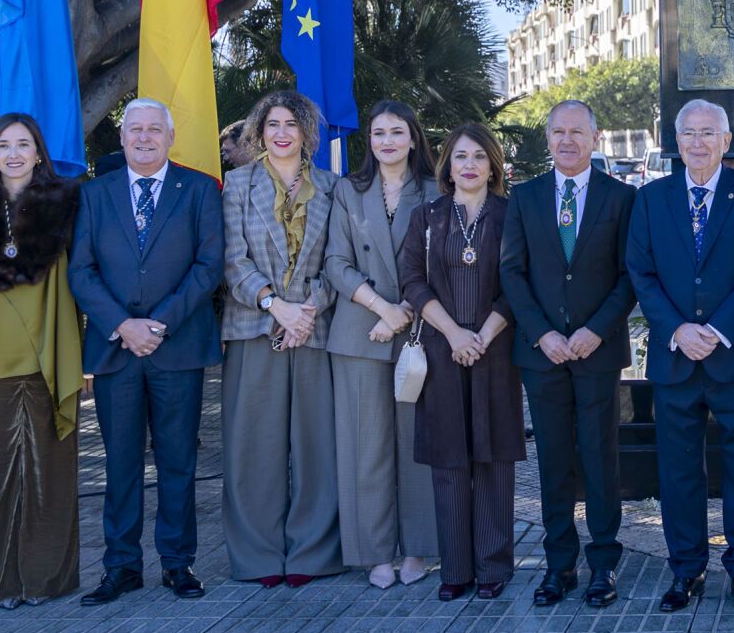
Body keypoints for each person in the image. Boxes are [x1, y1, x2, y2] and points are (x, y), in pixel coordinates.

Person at [626, 99, 734, 615]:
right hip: (675, 358)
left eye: (707, 133)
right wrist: (677, 329)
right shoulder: (650, 199)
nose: (697, 142)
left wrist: (716, 329)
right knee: (678, 471)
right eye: (688, 133)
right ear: (676, 141)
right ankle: (686, 570)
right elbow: (641, 272)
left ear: (726, 141)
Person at [69, 98, 223, 604]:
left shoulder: (199, 190)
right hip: (117, 350)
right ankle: (122, 566)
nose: (143, 137)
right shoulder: (95, 194)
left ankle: (179, 564)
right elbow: (81, 271)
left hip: (176, 346)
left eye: (154, 130)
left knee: (178, 461)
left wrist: (158, 324)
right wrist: (122, 325)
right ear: (122, 138)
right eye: (135, 129)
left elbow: (208, 265)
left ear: (170, 136)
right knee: (121, 463)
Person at [499, 100, 636, 609]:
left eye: (578, 131)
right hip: (543, 356)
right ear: (549, 138)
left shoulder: (622, 198)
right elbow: (511, 272)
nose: (567, 140)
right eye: (558, 131)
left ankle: (603, 564)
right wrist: (542, 335)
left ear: (596, 139)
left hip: (597, 353)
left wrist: (597, 330)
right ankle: (560, 566)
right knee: (553, 461)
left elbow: (630, 275)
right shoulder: (525, 197)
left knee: (600, 460)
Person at [0, 113, 83, 609]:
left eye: (24, 144)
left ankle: (44, 580)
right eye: (4, 145)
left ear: (40, 152)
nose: (14, 153)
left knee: (49, 473)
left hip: (49, 350)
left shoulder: (66, 204)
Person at [220, 90, 341, 587]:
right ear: (259, 131)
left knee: (316, 445)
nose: (282, 132)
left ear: (307, 131)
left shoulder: (334, 188)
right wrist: (276, 306)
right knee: (254, 446)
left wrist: (307, 309)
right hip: (255, 325)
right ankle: (258, 555)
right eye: (272, 124)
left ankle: (312, 552)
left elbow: (340, 260)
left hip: (313, 327)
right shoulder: (237, 184)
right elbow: (232, 259)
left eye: (292, 123)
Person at [402, 122, 523, 600]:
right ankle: (455, 568)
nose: (469, 165)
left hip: (495, 350)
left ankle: (493, 566)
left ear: (492, 164)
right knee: (449, 458)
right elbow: (411, 280)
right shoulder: (427, 218)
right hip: (442, 349)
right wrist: (454, 334)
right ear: (446, 167)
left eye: (478, 157)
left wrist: (483, 335)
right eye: (460, 157)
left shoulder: (510, 215)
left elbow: (519, 282)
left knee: (492, 456)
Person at [326, 100, 442, 590]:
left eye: (397, 131)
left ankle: (418, 549)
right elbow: (335, 262)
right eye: (378, 133)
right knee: (365, 448)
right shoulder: (347, 191)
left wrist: (403, 315)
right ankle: (374, 553)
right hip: (360, 331)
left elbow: (445, 265)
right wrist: (382, 309)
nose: (387, 141)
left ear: (414, 138)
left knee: (417, 446)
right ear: (368, 141)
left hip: (419, 332)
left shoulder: (437, 190)